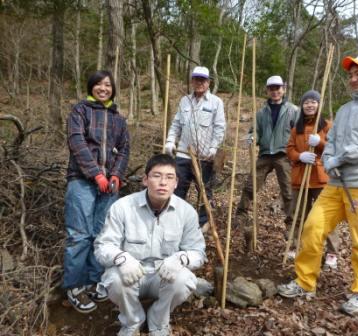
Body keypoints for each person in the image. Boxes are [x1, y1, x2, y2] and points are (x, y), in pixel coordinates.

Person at [278, 54, 358, 316]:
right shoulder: (343, 110)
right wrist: (329, 158)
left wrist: (339, 158)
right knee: (312, 227)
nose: (354, 79)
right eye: (351, 74)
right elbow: (330, 141)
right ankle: (304, 281)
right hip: (334, 185)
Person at [94, 154, 206, 336]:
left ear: (176, 183)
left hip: (163, 275)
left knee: (184, 280)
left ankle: (158, 321)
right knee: (114, 280)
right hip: (132, 273)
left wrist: (180, 258)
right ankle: (132, 321)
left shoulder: (187, 212)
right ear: (145, 179)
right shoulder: (122, 207)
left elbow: (198, 252)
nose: (163, 182)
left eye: (169, 177)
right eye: (157, 176)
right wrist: (121, 259)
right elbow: (103, 246)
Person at [63, 70, 130, 313]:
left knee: (102, 234)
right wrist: (95, 173)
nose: (104, 88)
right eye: (99, 85)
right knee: (79, 234)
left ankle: (93, 280)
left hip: (109, 186)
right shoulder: (80, 111)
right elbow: (76, 142)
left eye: (108, 85)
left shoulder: (118, 119)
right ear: (91, 87)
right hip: (82, 181)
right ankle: (74, 286)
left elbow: (124, 149)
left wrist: (115, 175)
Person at [236, 75, 300, 246]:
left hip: (283, 154)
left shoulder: (293, 110)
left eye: (278, 88)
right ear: (267, 90)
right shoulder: (261, 112)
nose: (275, 91)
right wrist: (251, 137)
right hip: (265, 153)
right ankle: (241, 215)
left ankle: (291, 225)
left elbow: (299, 133)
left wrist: (298, 151)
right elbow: (255, 132)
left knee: (288, 190)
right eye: (271, 88)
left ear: (283, 89)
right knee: (251, 185)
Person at [164, 66, 226, 233]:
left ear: (208, 82)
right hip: (183, 153)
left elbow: (220, 128)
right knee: (178, 187)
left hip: (204, 156)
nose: (199, 83)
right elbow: (176, 124)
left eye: (203, 80)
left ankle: (202, 223)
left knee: (204, 190)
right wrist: (170, 141)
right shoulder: (185, 100)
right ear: (192, 81)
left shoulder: (216, 102)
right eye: (196, 79)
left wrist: (213, 148)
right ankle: (175, 220)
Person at [286, 90, 339, 269]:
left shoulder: (327, 126)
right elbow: (290, 149)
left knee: (327, 216)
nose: (310, 105)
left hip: (321, 177)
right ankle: (294, 246)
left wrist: (321, 144)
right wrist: (299, 156)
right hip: (301, 177)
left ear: (319, 105)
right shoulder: (296, 128)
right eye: (306, 102)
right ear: (302, 106)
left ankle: (331, 252)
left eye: (313, 102)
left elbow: (336, 148)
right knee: (298, 214)